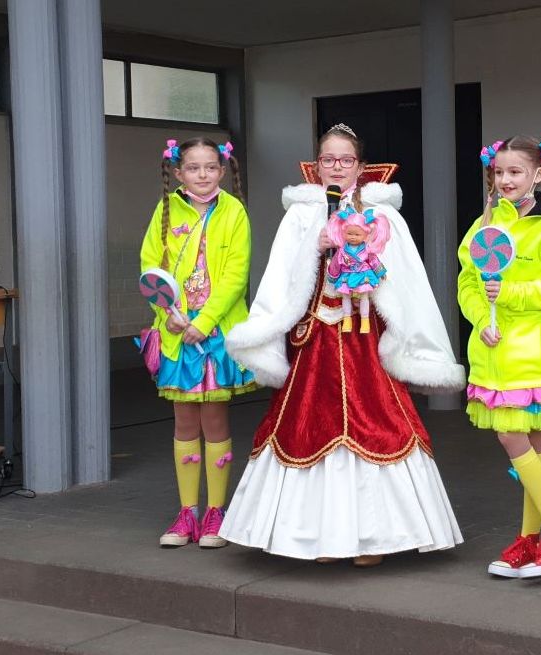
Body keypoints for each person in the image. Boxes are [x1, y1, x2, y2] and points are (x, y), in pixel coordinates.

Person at [219, 123, 464, 565]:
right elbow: (281, 275)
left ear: (362, 167)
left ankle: (372, 540)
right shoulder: (300, 213)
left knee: (379, 423)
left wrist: (368, 255)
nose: (336, 167)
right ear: (316, 166)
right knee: (308, 425)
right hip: (316, 337)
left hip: (365, 338)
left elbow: (405, 279)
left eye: (345, 160)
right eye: (328, 160)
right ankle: (320, 538)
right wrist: (315, 246)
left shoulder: (384, 214)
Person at [458, 136, 541, 578]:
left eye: (515, 172)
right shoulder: (483, 227)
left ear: (538, 174)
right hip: (495, 353)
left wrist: (510, 293)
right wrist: (483, 318)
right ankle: (531, 540)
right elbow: (468, 285)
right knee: (532, 442)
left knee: (511, 436)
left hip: (536, 352)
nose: (505, 179)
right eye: (499, 172)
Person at [138, 137, 257, 548]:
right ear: (178, 172)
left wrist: (204, 323)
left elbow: (236, 275)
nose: (202, 175)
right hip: (176, 332)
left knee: (215, 421)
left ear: (222, 171)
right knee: (184, 423)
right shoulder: (166, 210)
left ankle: (215, 513)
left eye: (210, 167)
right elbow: (150, 267)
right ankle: (186, 512)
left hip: (216, 336)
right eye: (193, 168)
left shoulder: (235, 212)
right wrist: (168, 316)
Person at [325, 206, 389, 333]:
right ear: (343, 233)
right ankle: (346, 319)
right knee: (346, 297)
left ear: (365, 235)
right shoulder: (342, 250)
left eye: (357, 234)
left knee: (364, 297)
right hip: (346, 276)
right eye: (349, 233)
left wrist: (380, 272)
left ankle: (365, 321)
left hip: (363, 275)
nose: (353, 237)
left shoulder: (366, 249)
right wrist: (332, 276)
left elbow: (373, 261)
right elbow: (335, 264)